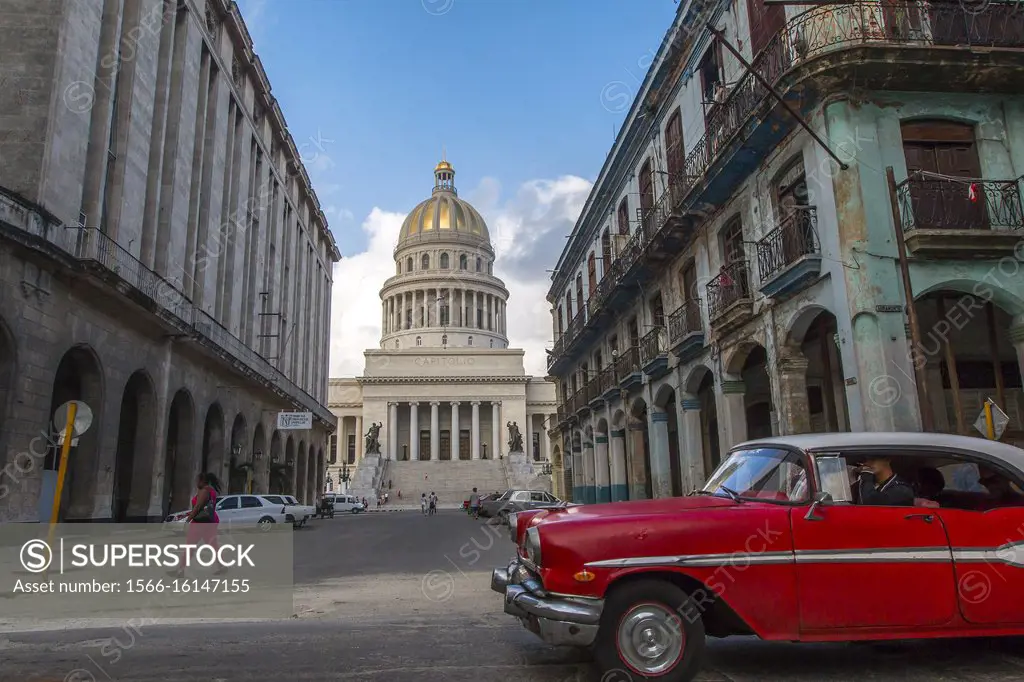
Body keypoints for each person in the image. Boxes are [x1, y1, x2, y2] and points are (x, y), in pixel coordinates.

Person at [171, 472, 225, 578]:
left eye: (197, 480)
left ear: (202, 481)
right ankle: (222, 566)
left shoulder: (204, 491)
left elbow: (197, 507)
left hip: (200, 524)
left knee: (190, 546)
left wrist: (187, 520)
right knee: (213, 545)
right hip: (210, 522)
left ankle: (180, 570)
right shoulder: (211, 491)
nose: (196, 482)